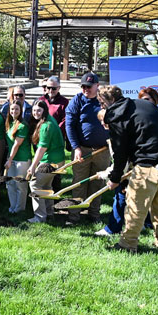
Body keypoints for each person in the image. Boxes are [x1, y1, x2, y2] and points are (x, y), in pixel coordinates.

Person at [97, 85, 158, 253]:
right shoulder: (145, 105)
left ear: (107, 101)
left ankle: (127, 245)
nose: (102, 107)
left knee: (135, 206)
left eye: (101, 103)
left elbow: (120, 152)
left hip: (148, 165)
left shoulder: (115, 116)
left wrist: (114, 178)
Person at [64, 72, 110, 226]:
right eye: (84, 86)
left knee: (98, 183)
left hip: (102, 151)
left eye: (89, 87)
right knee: (79, 184)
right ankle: (74, 216)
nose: (86, 89)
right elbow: (69, 125)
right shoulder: (77, 101)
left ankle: (94, 214)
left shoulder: (104, 101)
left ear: (97, 86)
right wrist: (76, 147)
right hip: (82, 150)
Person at [27, 100, 65, 223]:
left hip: (50, 161)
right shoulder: (50, 120)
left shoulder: (46, 126)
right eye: (34, 110)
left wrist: (33, 166)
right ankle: (49, 213)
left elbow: (41, 149)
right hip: (58, 160)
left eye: (39, 110)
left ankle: (39, 216)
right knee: (46, 186)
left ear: (44, 110)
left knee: (35, 184)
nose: (36, 113)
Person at [4, 101, 31, 214]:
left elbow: (16, 144)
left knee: (20, 185)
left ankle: (19, 209)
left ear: (21, 111)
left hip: (22, 159)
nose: (14, 111)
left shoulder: (23, 125)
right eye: (12, 109)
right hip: (11, 158)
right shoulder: (10, 123)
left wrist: (9, 160)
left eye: (17, 109)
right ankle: (12, 207)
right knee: (10, 183)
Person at [39, 76, 69, 141]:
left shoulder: (64, 102)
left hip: (56, 137)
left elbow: (65, 120)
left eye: (53, 88)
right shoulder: (41, 100)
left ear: (59, 88)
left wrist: (54, 132)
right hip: (41, 135)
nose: (50, 90)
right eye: (48, 88)